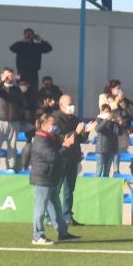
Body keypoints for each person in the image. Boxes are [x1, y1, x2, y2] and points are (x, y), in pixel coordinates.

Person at [27, 111, 78, 245]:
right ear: (44, 125)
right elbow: (53, 157)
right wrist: (65, 146)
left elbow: (62, 145)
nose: (55, 126)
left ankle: (63, 233)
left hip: (51, 178)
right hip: (43, 178)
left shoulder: (51, 137)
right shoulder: (40, 139)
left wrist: (77, 134)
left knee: (55, 208)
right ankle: (37, 235)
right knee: (40, 208)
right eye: (52, 124)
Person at [54, 95, 85, 227]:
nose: (71, 106)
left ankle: (67, 215)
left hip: (73, 158)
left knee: (69, 189)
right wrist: (77, 132)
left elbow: (81, 139)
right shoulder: (56, 118)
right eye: (69, 104)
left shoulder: (75, 119)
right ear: (61, 105)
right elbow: (62, 138)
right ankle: (51, 216)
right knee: (56, 189)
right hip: (61, 158)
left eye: (72, 104)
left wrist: (86, 132)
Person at [0, 69, 25, 170]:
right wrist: (2, 80)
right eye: (7, 75)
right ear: (2, 75)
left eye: (11, 75)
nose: (9, 77)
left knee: (12, 147)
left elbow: (22, 104)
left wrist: (17, 115)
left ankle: (11, 167)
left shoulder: (16, 89)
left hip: (13, 122)